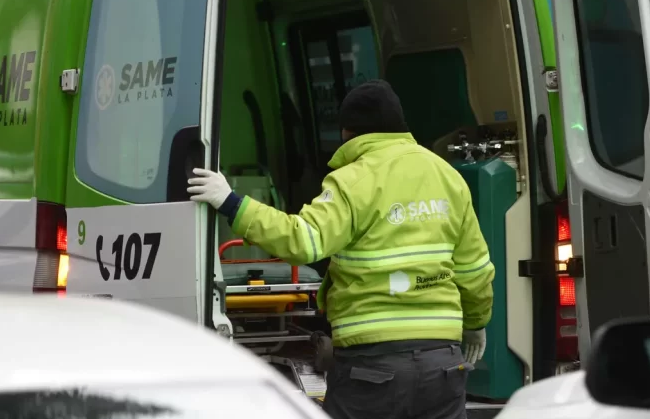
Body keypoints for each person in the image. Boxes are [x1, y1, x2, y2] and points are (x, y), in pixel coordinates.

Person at [188, 79, 494, 419]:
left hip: (373, 367)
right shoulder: (448, 177)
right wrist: (476, 323)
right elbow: (475, 270)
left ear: (349, 133)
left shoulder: (352, 181)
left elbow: (303, 240)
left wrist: (231, 203)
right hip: (443, 366)